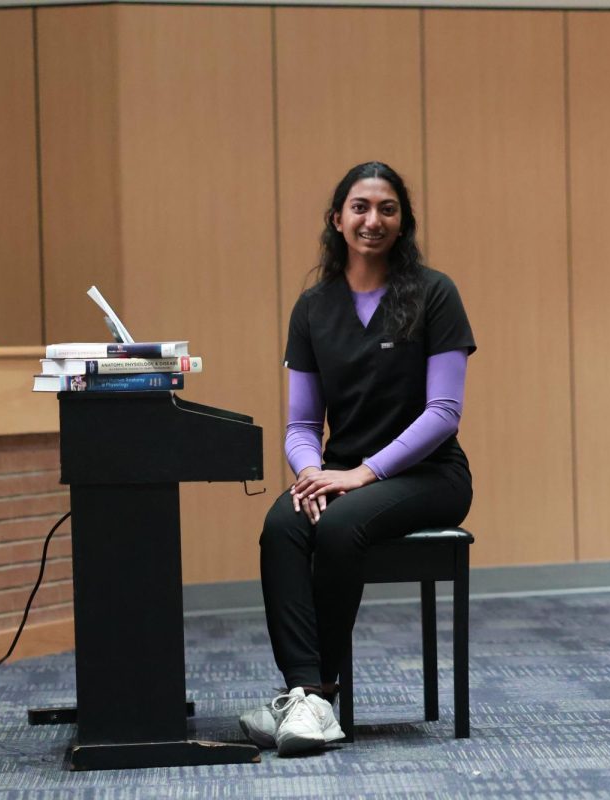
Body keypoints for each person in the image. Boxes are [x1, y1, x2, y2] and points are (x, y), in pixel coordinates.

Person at [239, 161, 476, 756]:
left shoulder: (433, 293)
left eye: (388, 208)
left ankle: (317, 697)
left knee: (340, 524)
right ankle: (306, 694)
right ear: (337, 219)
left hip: (429, 475)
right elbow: (300, 424)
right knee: (282, 526)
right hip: (341, 473)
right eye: (361, 207)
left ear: (403, 222)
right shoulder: (314, 307)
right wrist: (310, 473)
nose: (374, 219)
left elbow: (444, 412)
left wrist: (361, 473)